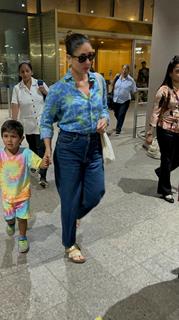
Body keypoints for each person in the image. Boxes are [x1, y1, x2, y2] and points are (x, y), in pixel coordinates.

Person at [40, 32, 109, 263]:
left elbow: (103, 108)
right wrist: (48, 150)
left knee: (96, 191)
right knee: (69, 198)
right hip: (68, 148)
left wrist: (104, 120)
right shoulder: (59, 89)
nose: (88, 62)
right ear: (69, 58)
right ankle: (69, 244)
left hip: (93, 147)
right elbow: (46, 121)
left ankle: (72, 215)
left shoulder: (98, 80)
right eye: (83, 58)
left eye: (91, 56)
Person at [0, 120, 48, 253]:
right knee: (9, 218)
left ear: (21, 139)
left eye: (13, 136)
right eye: (6, 136)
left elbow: (39, 164)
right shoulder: (0, 154)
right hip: (7, 196)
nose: (9, 140)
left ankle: (22, 237)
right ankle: (10, 223)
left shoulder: (26, 153)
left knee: (22, 218)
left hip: (22, 196)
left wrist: (44, 162)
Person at [146, 55, 179, 203]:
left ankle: (161, 172)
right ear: (171, 72)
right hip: (165, 129)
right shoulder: (164, 90)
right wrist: (150, 133)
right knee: (166, 159)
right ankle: (165, 190)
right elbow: (155, 112)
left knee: (175, 158)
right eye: (178, 71)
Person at [11, 61, 49, 188]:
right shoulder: (17, 88)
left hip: (41, 122)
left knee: (41, 148)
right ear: (19, 73)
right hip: (27, 124)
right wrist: (14, 125)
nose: (25, 73)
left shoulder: (40, 83)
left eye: (27, 71)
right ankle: (35, 164)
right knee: (32, 147)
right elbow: (15, 106)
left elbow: (51, 99)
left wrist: (44, 91)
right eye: (22, 71)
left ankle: (43, 176)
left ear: (31, 72)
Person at [112, 64, 137, 134]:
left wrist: (137, 100)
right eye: (123, 69)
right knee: (116, 114)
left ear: (128, 71)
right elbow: (112, 86)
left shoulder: (131, 80)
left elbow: (134, 90)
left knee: (121, 114)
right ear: (121, 70)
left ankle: (118, 129)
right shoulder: (117, 77)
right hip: (115, 99)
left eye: (126, 69)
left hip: (125, 101)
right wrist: (114, 79)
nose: (124, 71)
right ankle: (120, 121)